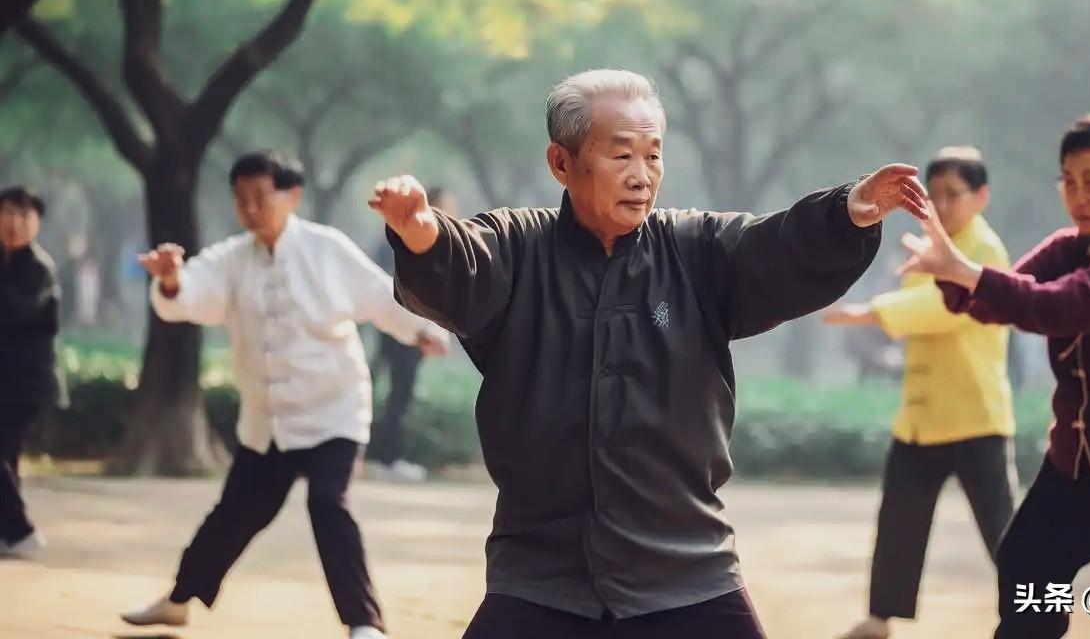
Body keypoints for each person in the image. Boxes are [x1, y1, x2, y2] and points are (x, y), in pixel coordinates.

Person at [370, 69, 929, 638]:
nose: (642, 177)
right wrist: (419, 231)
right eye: (621, 156)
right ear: (561, 163)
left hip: (683, 564)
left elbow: (776, 247)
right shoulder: (520, 248)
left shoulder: (697, 250)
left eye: (653, 156)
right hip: (542, 571)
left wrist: (850, 210)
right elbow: (462, 268)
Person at [120, 151, 451, 639]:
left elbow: (380, 296)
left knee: (327, 504)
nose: (250, 209)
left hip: (334, 411)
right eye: (241, 200)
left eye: (260, 197)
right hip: (268, 421)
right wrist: (171, 280)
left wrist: (422, 330)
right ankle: (178, 600)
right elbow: (191, 293)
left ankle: (364, 624)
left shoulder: (326, 249)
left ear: (290, 195)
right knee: (233, 515)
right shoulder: (231, 259)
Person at [901, 111, 1090, 638]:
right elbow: (1006, 297)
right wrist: (955, 275)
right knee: (1025, 565)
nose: (1077, 195)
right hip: (1081, 460)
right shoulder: (1069, 247)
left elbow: (1066, 305)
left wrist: (965, 272)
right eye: (1068, 180)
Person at [824, 147, 1016, 639]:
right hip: (921, 416)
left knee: (1004, 531)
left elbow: (942, 307)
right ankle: (880, 617)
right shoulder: (933, 246)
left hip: (975, 416)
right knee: (899, 522)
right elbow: (921, 299)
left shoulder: (986, 250)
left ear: (981, 197)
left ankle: (1032, 611)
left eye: (955, 194)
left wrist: (868, 312)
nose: (944, 204)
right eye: (936, 193)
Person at [365, 187, 458, 483]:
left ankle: (385, 457)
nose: (451, 214)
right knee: (398, 394)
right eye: (446, 207)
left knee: (396, 393)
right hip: (406, 328)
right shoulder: (408, 239)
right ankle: (388, 459)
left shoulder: (417, 240)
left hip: (406, 328)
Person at [0, 185, 59, 559]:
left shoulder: (38, 269)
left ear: (37, 223)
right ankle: (8, 534)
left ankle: (21, 531)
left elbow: (11, 313)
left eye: (24, 216)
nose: (15, 223)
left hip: (25, 382)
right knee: (7, 458)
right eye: (7, 213)